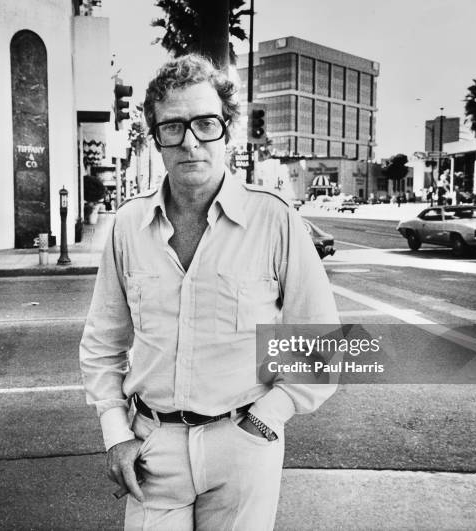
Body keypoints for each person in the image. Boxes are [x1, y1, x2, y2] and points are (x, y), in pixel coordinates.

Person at [79, 54, 339, 531]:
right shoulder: (128, 227)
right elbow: (102, 344)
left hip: (243, 444)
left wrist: (269, 417)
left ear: (228, 129)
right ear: (156, 137)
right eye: (173, 127)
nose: (191, 141)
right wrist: (115, 433)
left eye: (205, 123)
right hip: (153, 451)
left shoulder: (275, 219)